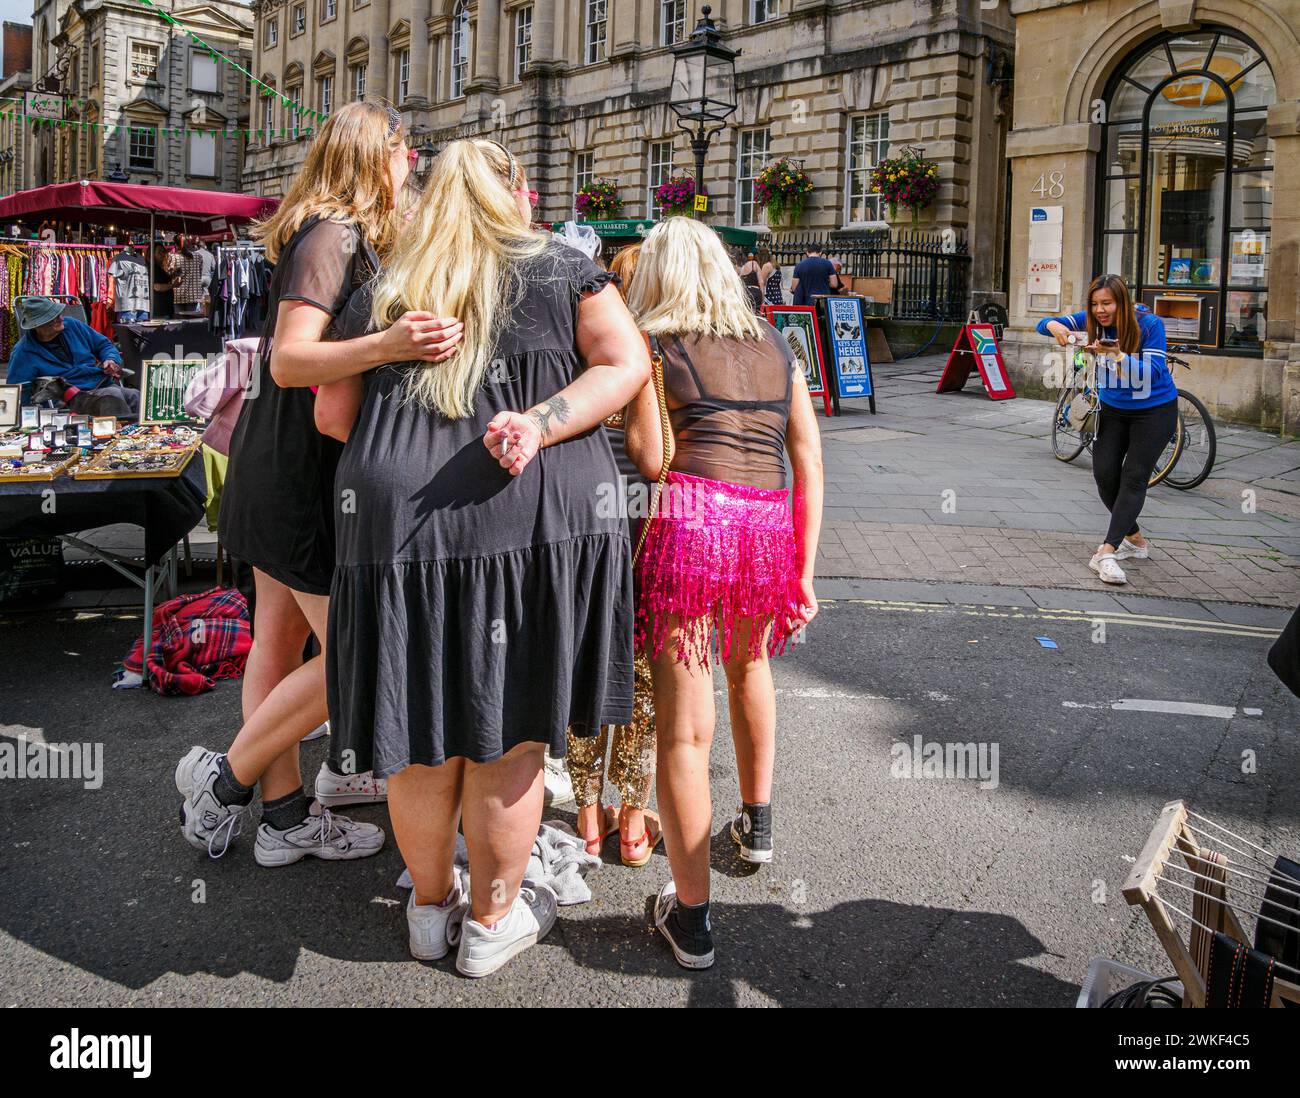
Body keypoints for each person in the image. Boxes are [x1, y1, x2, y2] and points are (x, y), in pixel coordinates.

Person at [314, 138, 649, 977]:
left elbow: (328, 415)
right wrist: (539, 420)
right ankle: (492, 922)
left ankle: (430, 912)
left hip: (393, 527)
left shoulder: (387, 281)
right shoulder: (565, 267)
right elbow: (626, 363)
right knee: (508, 733)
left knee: (419, 728)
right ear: (520, 192)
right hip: (524, 523)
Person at [174, 103, 464, 867]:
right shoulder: (335, 235)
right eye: (408, 151)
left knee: (276, 643)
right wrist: (392, 343)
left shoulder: (326, 231)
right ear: (381, 153)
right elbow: (290, 360)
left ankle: (284, 818)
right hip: (303, 478)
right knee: (354, 657)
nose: (413, 166)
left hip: (278, 467)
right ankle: (228, 784)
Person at [623, 216, 823, 970]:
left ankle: (693, 916)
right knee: (751, 668)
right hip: (768, 522)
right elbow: (807, 455)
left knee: (683, 728)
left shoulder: (655, 344)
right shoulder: (777, 343)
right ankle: (758, 825)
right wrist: (804, 569)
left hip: (691, 518)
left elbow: (644, 454)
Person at [564, 242, 662, 867]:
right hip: (645, 528)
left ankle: (585, 814)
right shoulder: (650, 355)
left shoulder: (578, 346)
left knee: (582, 663)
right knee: (640, 676)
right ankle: (630, 823)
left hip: (585, 523)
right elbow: (654, 455)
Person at [1037, 273, 1177, 586]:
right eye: (1096, 304)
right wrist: (1055, 326)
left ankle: (1107, 550)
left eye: (1108, 303)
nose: (1101, 310)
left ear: (1122, 302)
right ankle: (1135, 540)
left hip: (1154, 411)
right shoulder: (1092, 320)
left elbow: (1152, 371)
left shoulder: (1149, 325)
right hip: (1113, 410)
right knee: (1104, 475)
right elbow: (1043, 323)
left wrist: (1117, 355)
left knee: (1134, 476)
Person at [5, 295, 139, 417]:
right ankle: (122, 437)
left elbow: (104, 345)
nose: (61, 318)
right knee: (113, 397)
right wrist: (24, 418)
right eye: (55, 318)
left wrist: (110, 359)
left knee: (136, 396)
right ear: (39, 326)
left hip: (98, 382)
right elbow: (19, 390)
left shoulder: (72, 325)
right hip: (69, 399)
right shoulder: (23, 352)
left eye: (59, 314)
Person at [108, 242, 150, 324]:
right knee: (128, 334)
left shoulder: (142, 259)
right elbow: (111, 278)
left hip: (143, 305)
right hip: (127, 306)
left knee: (143, 334)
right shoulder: (118, 258)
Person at [151, 243, 176, 319]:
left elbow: (163, 281)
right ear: (152, 253)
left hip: (165, 309)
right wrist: (174, 285)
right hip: (160, 311)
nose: (162, 254)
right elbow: (156, 286)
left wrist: (173, 275)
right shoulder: (153, 268)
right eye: (159, 252)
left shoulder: (158, 267)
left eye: (163, 251)